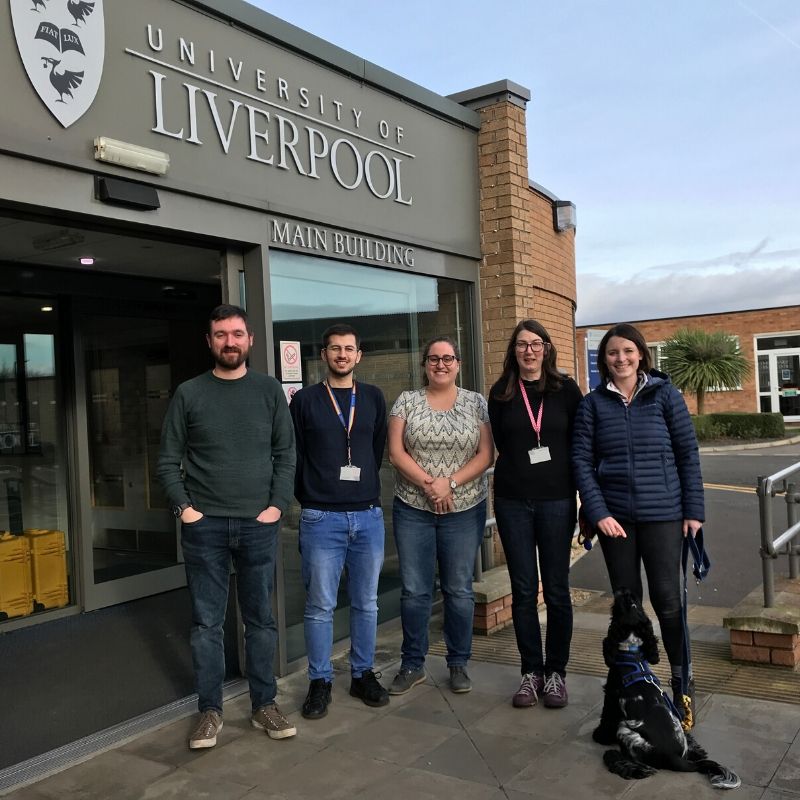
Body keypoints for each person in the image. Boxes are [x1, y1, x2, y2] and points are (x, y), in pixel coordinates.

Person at [157, 304, 297, 749]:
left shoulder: (269, 390)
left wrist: (276, 506)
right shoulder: (189, 393)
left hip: (258, 523)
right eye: (221, 335)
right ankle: (210, 711)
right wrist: (185, 509)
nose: (230, 342)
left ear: (250, 340)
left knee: (260, 620)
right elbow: (166, 460)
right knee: (206, 625)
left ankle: (264, 705)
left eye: (237, 334)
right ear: (210, 341)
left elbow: (285, 454)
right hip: (205, 526)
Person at [572, 322, 704, 720]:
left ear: (641, 354)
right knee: (627, 607)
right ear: (604, 359)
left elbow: (687, 454)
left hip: (664, 516)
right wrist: (599, 513)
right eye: (613, 353)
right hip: (617, 523)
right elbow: (581, 462)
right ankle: (631, 682)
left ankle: (683, 684)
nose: (621, 359)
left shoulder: (666, 396)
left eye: (628, 351)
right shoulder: (592, 404)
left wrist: (694, 511)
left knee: (668, 603)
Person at [289, 323, 389, 719]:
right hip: (320, 517)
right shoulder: (306, 401)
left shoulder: (374, 398)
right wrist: (311, 496)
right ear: (324, 355)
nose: (342, 355)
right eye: (335, 349)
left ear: (359, 355)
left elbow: (375, 448)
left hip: (368, 515)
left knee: (367, 602)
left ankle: (363, 673)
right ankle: (320, 681)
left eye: (349, 349)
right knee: (320, 606)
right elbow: (294, 455)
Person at [387, 336, 494, 695]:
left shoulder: (476, 403)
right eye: (434, 359)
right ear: (425, 364)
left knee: (459, 590)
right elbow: (396, 452)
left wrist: (450, 483)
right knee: (415, 590)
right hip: (413, 507)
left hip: (464, 509)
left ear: (458, 364)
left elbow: (485, 454)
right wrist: (431, 485)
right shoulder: (407, 401)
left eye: (448, 358)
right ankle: (412, 664)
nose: (441, 364)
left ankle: (458, 663)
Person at [488, 320, 582, 709]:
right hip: (513, 501)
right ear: (514, 351)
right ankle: (531, 671)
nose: (529, 351)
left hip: (558, 500)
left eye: (536, 344)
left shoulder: (566, 390)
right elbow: (499, 443)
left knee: (557, 590)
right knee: (523, 590)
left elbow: (580, 444)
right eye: (522, 344)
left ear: (547, 349)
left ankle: (556, 672)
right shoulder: (501, 393)